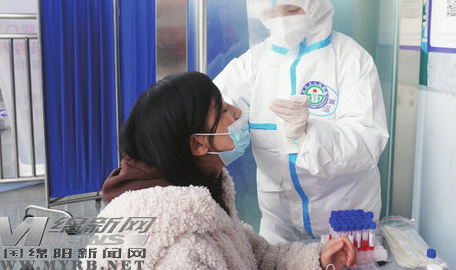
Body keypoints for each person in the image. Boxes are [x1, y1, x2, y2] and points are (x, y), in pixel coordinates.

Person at [88, 71, 357, 270]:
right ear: (198, 143)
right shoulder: (179, 250)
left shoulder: (202, 199)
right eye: (223, 110)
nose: (238, 112)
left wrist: (317, 259)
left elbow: (252, 257)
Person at [214, 0, 390, 243]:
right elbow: (210, 107)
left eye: (291, 10)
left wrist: (308, 135)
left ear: (312, 2)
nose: (281, 20)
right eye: (271, 13)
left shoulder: (350, 58)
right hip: (278, 224)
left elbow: (368, 140)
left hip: (345, 220)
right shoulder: (253, 63)